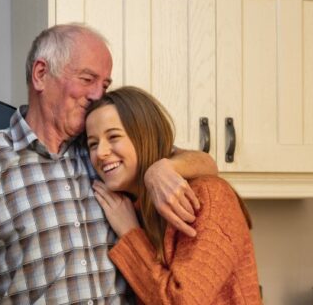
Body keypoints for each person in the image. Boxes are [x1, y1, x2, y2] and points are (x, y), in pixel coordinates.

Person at [0, 24, 217, 304]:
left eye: (105, 84)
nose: (98, 95)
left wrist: (161, 169)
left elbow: (205, 162)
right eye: (87, 79)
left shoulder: (106, 155)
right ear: (40, 74)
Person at [86, 86, 261, 305]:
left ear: (145, 136)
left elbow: (182, 301)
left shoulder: (208, 195)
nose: (100, 153)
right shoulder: (131, 205)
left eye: (113, 137)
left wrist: (130, 233)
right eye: (92, 144)